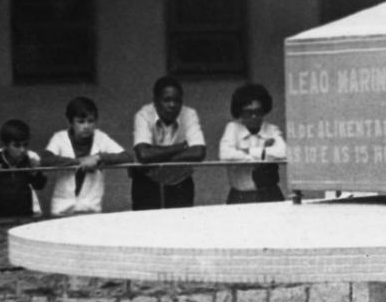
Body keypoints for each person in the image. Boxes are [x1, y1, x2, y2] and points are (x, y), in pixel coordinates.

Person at [42, 96, 131, 216]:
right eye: (81, 121)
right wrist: (80, 161)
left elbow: (127, 156)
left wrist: (99, 158)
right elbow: (46, 159)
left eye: (90, 121)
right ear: (70, 122)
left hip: (91, 206)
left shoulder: (101, 138)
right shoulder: (59, 137)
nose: (86, 126)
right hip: (62, 206)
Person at [131, 76, 206, 210]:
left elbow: (199, 152)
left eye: (177, 100)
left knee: (180, 227)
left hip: (179, 180)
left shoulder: (189, 114)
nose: (172, 105)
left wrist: (156, 158)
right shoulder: (143, 115)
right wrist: (181, 147)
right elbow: (143, 154)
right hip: (148, 180)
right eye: (167, 100)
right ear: (155, 101)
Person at [218, 83, 287, 204]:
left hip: (270, 194)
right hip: (241, 196)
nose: (254, 116)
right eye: (248, 112)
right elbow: (225, 154)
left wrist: (250, 151)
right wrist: (262, 156)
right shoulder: (233, 128)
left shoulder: (272, 129)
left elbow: (283, 153)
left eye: (258, 111)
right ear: (240, 112)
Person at [0, 119, 45, 218]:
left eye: (25, 145)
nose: (22, 150)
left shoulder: (31, 158)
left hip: (25, 214)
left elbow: (39, 186)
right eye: (17, 146)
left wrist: (36, 173)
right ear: (4, 145)